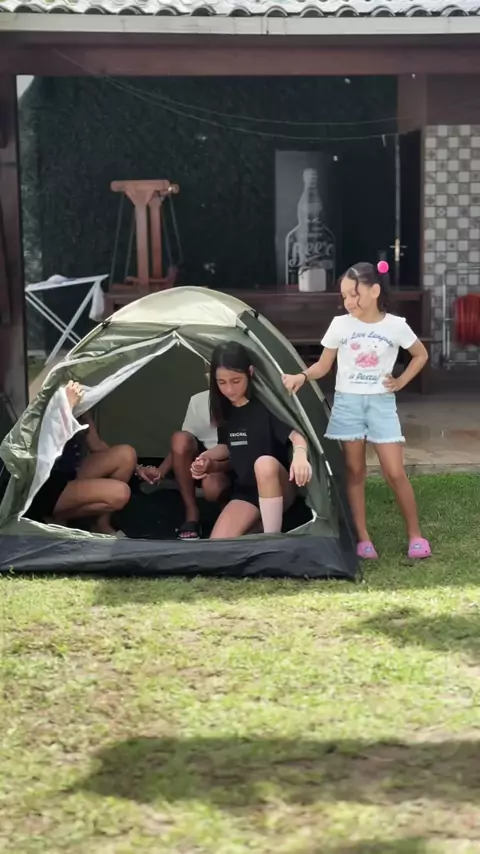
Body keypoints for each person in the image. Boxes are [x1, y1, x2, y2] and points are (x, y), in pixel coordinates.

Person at [282, 261, 431, 560]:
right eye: (345, 296)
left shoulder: (395, 325)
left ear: (374, 291)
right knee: (355, 472)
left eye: (354, 294)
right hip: (348, 404)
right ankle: (363, 539)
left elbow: (420, 354)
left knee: (394, 472)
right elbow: (324, 365)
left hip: (381, 404)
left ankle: (415, 534)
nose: (349, 302)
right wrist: (302, 376)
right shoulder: (340, 325)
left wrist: (401, 381)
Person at [190, 342, 312, 539]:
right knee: (217, 544)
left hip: (278, 484)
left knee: (264, 464)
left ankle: (272, 539)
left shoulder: (266, 404)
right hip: (246, 489)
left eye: (236, 381)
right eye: (222, 382)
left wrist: (300, 455)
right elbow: (227, 446)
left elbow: (296, 435)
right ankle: (259, 528)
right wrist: (205, 457)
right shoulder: (225, 408)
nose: (229, 389)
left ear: (250, 372)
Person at [27, 381, 137, 535]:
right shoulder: (43, 401)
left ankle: (100, 524)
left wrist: (138, 469)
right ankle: (54, 517)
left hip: (70, 472)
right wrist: (67, 406)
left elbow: (96, 445)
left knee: (126, 454)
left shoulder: (78, 404)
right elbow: (47, 450)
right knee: (120, 494)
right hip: (46, 483)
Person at [137, 386, 231, 540]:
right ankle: (191, 512)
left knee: (213, 488)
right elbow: (181, 446)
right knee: (180, 438)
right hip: (205, 458)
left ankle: (227, 509)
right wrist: (161, 471)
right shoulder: (198, 400)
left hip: (232, 458)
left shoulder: (243, 400)